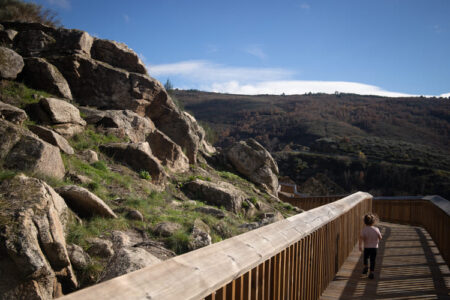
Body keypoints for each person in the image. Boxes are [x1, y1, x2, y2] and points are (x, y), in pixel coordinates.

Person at [359, 213, 382, 279]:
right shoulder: (376, 229)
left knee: (365, 258)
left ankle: (365, 267)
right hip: (374, 248)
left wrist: (360, 246)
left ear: (364, 222)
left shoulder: (364, 230)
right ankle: (371, 272)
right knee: (372, 260)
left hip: (367, 247)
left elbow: (361, 237)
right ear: (374, 221)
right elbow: (380, 237)